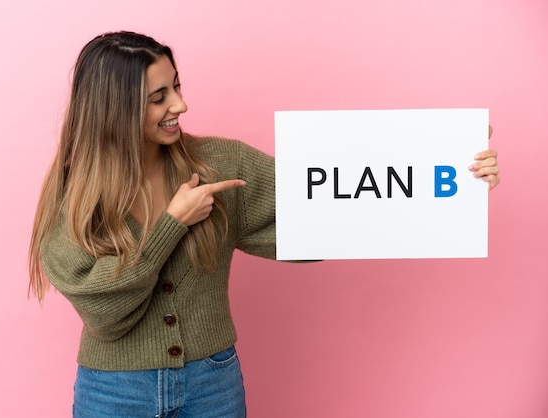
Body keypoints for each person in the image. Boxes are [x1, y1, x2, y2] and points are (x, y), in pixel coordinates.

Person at [28, 31, 501, 418]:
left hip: (211, 384)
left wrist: (450, 165)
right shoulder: (75, 196)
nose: (180, 105)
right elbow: (106, 314)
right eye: (159, 97)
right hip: (114, 392)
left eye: (177, 85)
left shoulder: (221, 162)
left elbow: (330, 201)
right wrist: (174, 222)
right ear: (114, 108)